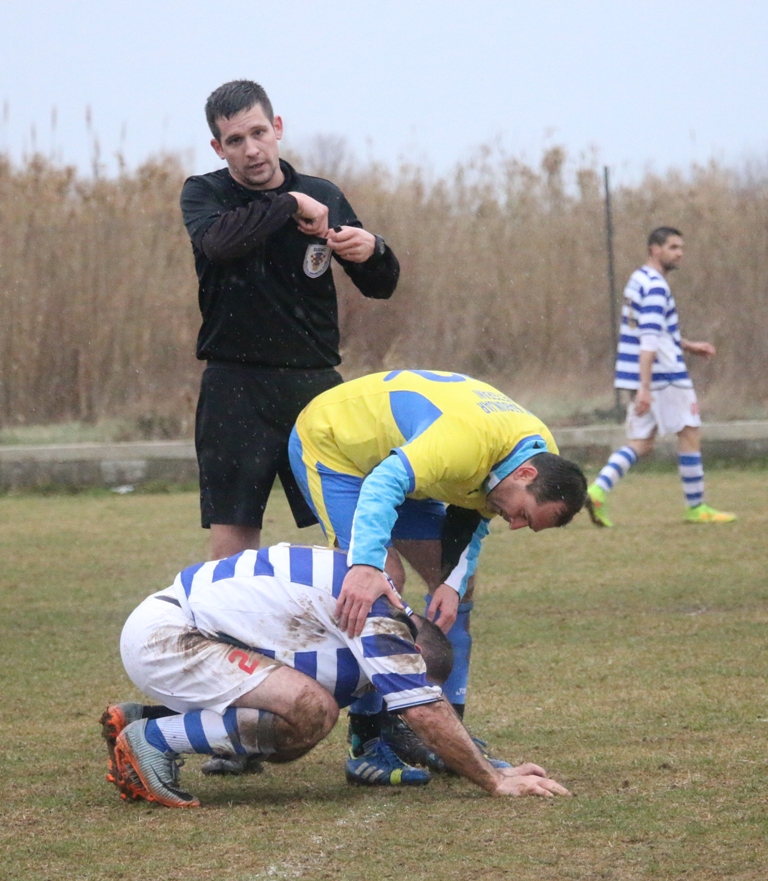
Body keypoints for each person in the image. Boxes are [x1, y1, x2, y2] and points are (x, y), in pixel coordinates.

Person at [288, 368, 587, 784]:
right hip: (337, 447)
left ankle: (449, 736)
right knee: (383, 579)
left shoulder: (539, 457)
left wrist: (451, 584)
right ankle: (367, 741)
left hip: (408, 461)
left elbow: (476, 514)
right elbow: (384, 482)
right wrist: (366, 566)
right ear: (526, 475)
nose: (515, 525)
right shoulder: (465, 441)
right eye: (522, 514)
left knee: (461, 587)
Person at [101, 543, 570, 807]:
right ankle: (153, 739)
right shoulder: (381, 619)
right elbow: (424, 709)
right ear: (411, 650)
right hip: (170, 637)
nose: (397, 695)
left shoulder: (382, 611)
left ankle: (147, 719)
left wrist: (492, 764)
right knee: (310, 710)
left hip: (174, 629)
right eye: (410, 675)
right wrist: (494, 780)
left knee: (298, 727)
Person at [180, 79, 400, 563]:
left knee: (355, 532)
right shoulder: (205, 193)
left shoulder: (324, 193)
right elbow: (220, 244)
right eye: (235, 140)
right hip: (235, 386)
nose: (251, 149)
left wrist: (375, 251)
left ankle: (379, 615)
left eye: (258, 133)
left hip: (314, 386)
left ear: (277, 127)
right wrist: (291, 203)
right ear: (218, 148)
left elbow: (380, 286)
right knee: (234, 544)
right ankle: (232, 617)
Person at [585, 227, 736, 528]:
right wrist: (645, 388)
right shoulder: (656, 286)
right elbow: (649, 339)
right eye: (673, 247)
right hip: (665, 375)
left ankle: (597, 490)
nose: (679, 253)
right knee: (689, 432)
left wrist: (688, 346)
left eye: (681, 248)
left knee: (642, 442)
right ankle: (696, 507)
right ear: (654, 249)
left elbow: (655, 330)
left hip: (640, 374)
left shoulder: (638, 280)